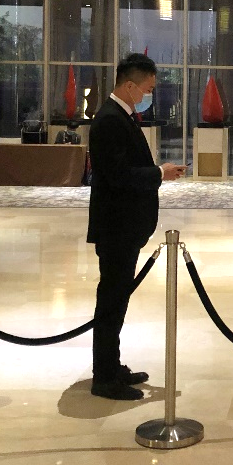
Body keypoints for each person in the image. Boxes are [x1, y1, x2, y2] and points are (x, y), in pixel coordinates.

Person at [87, 53, 186, 400]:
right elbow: (117, 176)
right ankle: (104, 377)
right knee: (111, 302)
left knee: (117, 301)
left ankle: (112, 366)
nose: (149, 95)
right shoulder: (109, 120)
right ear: (130, 86)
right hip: (117, 227)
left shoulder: (122, 117)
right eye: (147, 89)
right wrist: (159, 173)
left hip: (125, 227)